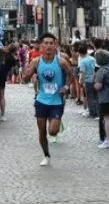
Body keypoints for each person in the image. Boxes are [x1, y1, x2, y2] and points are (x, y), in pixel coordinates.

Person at [22, 33, 73, 166]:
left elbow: (71, 75)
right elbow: (25, 78)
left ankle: (56, 121)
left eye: (51, 43)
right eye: (46, 43)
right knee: (42, 131)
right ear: (41, 45)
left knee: (52, 131)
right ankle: (46, 155)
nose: (49, 46)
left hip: (56, 100)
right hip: (41, 100)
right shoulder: (36, 62)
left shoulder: (61, 61)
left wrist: (66, 87)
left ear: (55, 45)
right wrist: (27, 76)